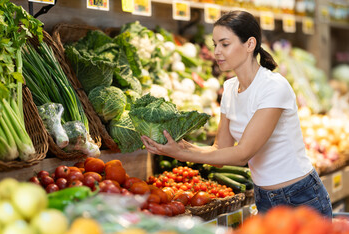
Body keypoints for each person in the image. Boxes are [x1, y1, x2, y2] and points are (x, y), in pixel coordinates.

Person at [141, 10, 332, 218]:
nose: (216, 52)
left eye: (225, 44)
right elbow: (220, 152)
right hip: (264, 198)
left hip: (300, 197)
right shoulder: (230, 89)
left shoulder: (274, 86)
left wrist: (181, 153)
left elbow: (242, 154)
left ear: (250, 44)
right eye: (215, 44)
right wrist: (182, 145)